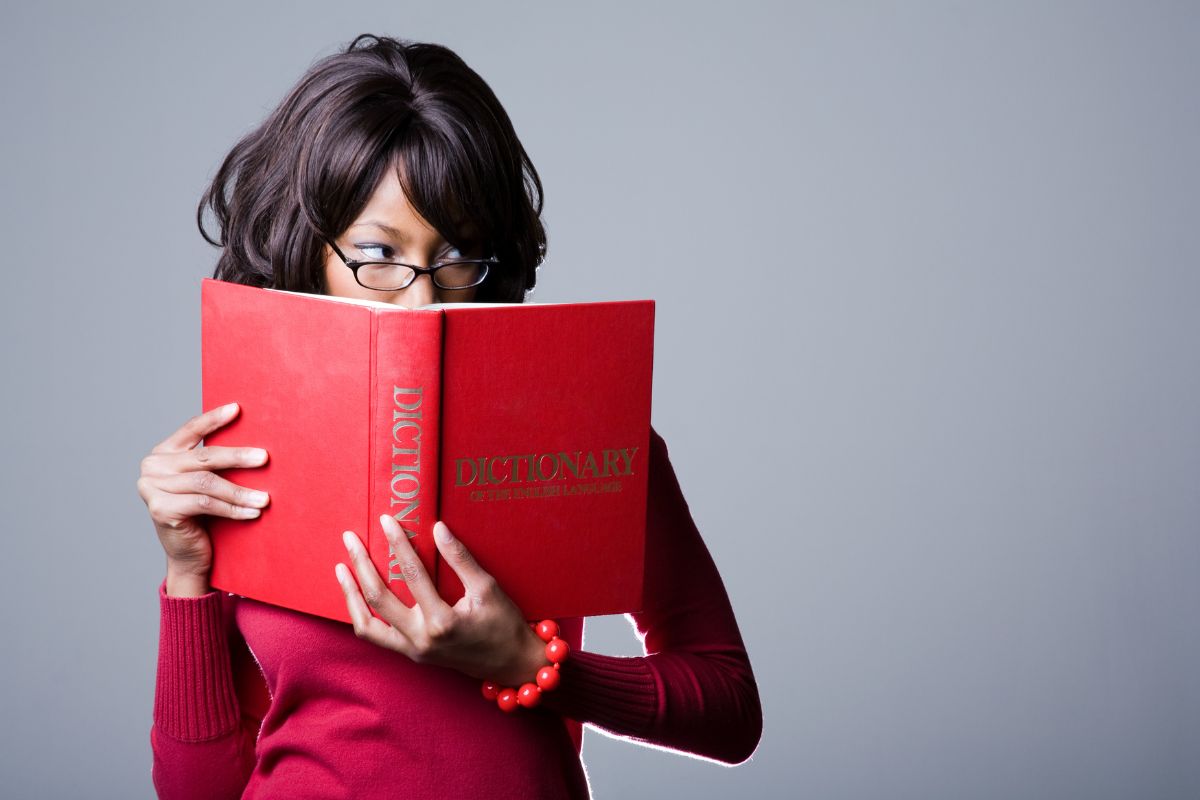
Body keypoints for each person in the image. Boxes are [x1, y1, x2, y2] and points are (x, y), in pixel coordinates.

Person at [138, 34, 762, 799]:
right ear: (311, 250)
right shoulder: (244, 452)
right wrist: (187, 579)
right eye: (378, 254)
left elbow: (729, 708)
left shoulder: (589, 429)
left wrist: (529, 668)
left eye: (458, 256)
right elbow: (197, 792)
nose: (423, 299)